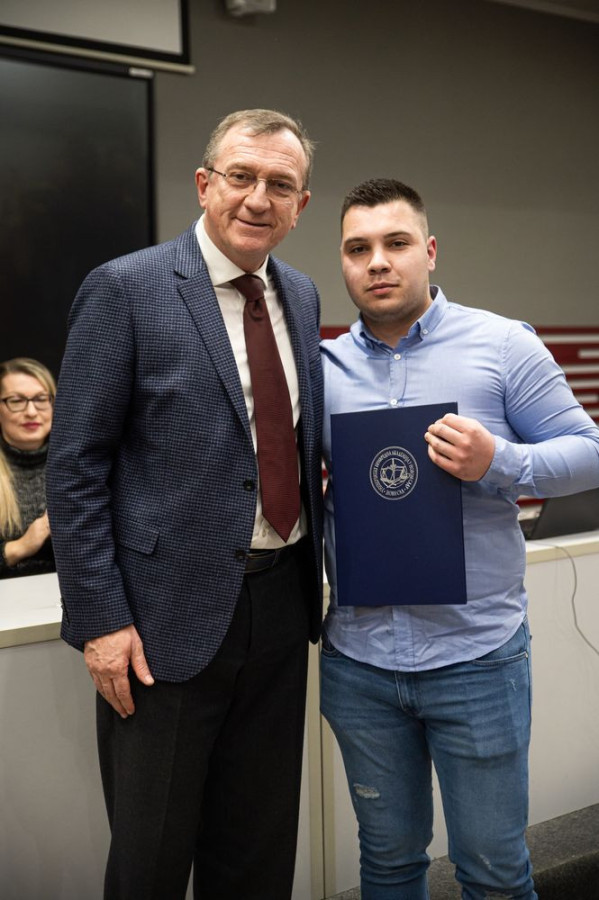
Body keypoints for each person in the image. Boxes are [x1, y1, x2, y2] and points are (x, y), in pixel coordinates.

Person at [46, 108, 323, 900]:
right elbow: (75, 465)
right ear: (204, 184)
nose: (258, 198)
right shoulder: (125, 289)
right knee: (152, 861)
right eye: (241, 176)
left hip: (280, 607)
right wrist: (100, 620)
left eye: (280, 185)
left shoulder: (301, 296)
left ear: (300, 205)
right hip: (158, 624)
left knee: (258, 852)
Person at [320, 178, 599, 900]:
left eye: (396, 243)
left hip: (475, 657)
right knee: (386, 865)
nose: (378, 262)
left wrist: (499, 461)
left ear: (431, 251)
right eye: (357, 249)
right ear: (342, 262)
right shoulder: (321, 370)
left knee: (494, 871)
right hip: (359, 662)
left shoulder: (502, 345)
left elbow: (589, 452)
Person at [0, 357, 55, 578]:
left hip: (73, 592)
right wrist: (22, 545)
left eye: (41, 399)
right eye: (16, 401)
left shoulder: (78, 465)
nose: (31, 411)